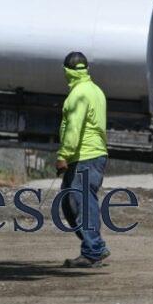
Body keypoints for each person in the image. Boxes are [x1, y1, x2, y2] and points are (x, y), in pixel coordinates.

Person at [57, 52, 110, 268]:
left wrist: (63, 155)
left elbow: (74, 128)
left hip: (84, 156)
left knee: (81, 204)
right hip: (92, 155)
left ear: (67, 71)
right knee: (71, 202)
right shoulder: (96, 91)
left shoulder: (79, 94)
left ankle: (93, 251)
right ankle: (95, 245)